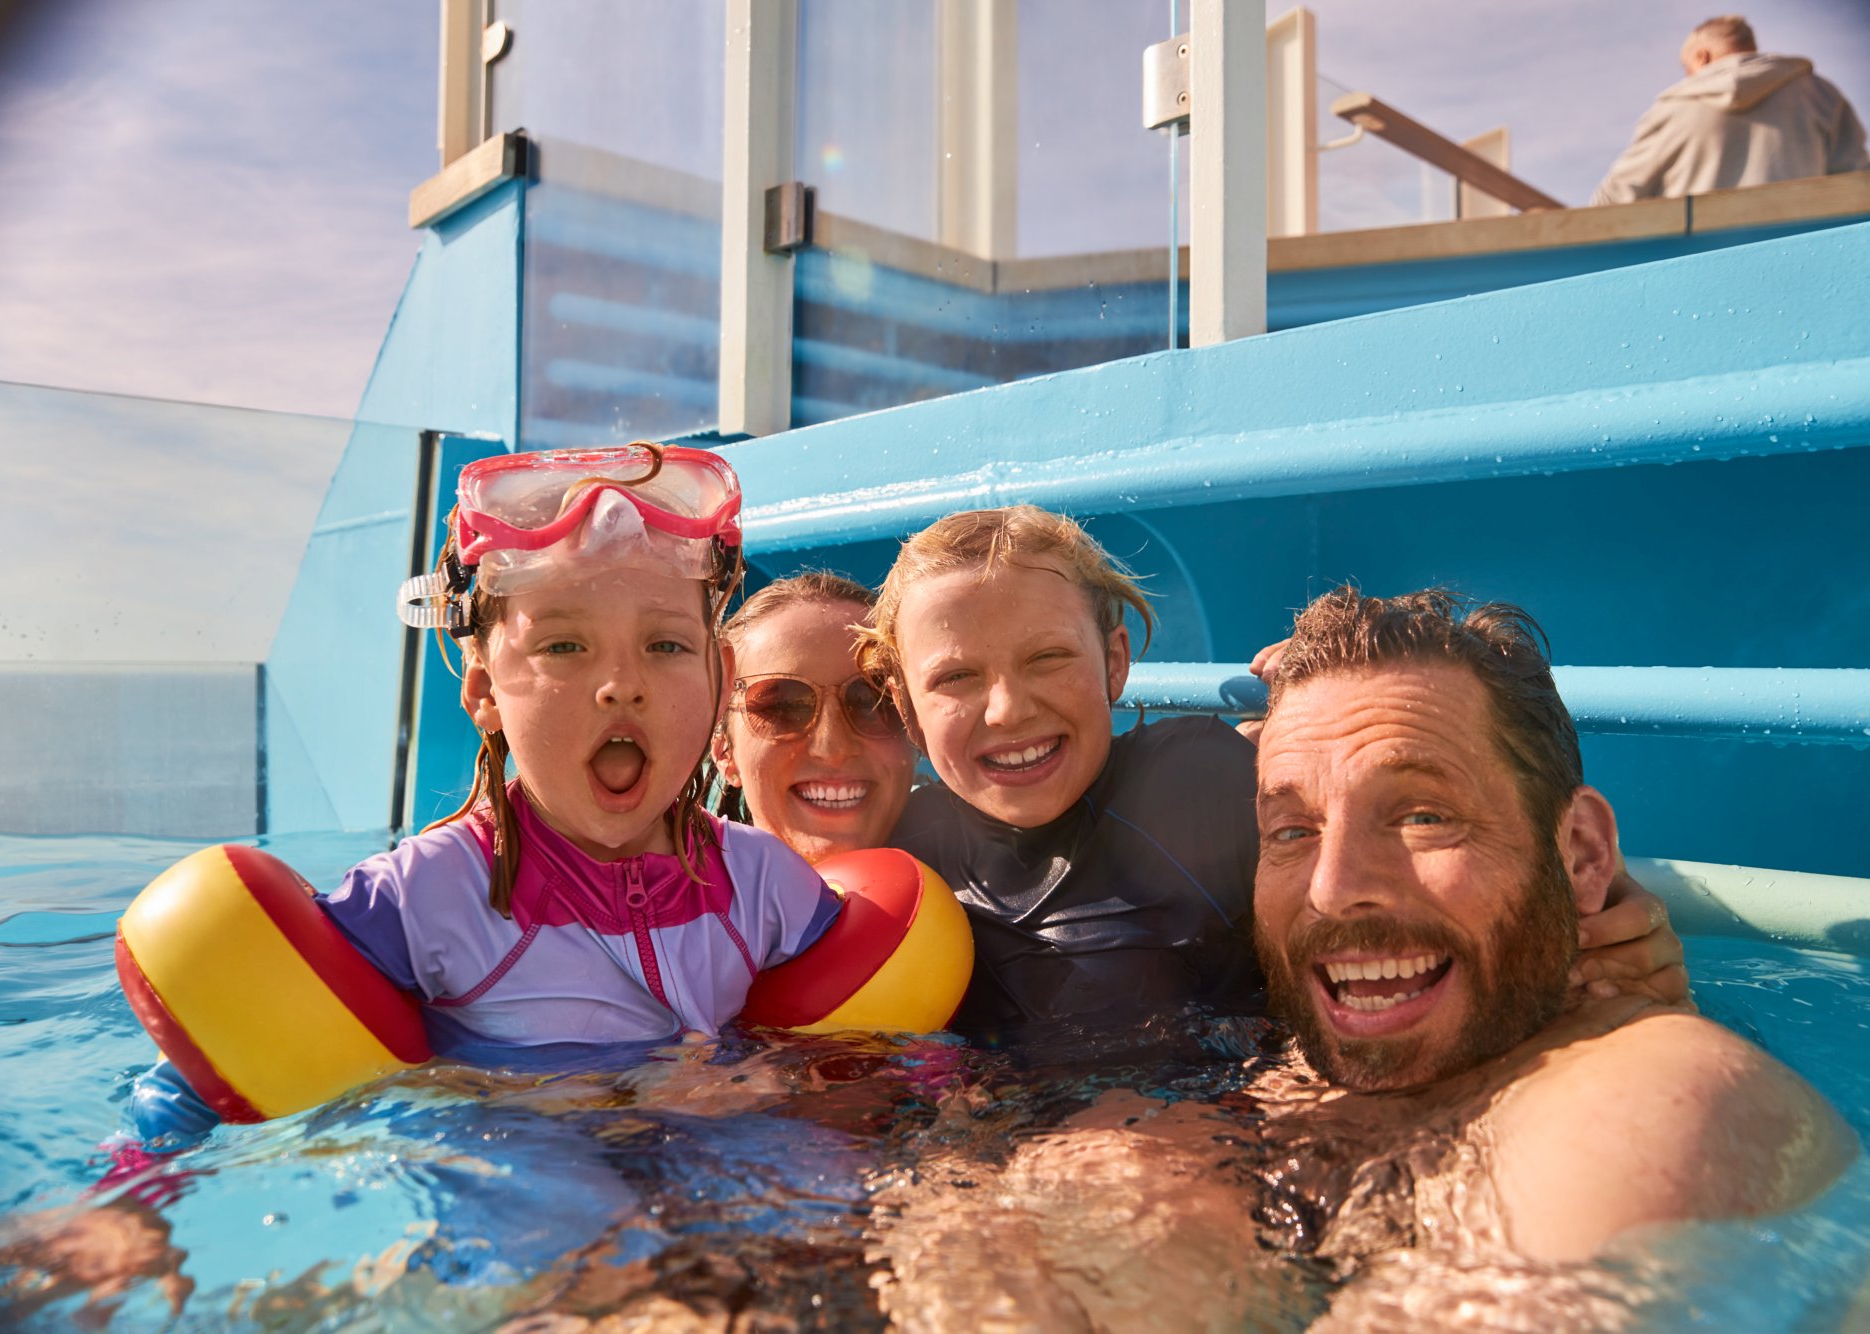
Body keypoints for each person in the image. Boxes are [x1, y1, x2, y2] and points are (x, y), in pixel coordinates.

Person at [867, 587, 1853, 1327]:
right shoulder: (1293, 1067)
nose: (1337, 887)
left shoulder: (1643, 1105)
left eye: (1421, 814)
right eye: (1288, 831)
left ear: (1582, 854)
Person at [130, 444, 842, 1141]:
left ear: (720, 678)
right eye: (564, 646)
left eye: (666, 646)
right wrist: (134, 1185)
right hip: (516, 1159)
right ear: (482, 690)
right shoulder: (429, 893)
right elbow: (225, 1044)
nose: (622, 683)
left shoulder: (764, 884)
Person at [854, 505, 1687, 1036]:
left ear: (1114, 664)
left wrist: (1613, 913)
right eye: (956, 678)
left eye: (1047, 659)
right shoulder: (897, 854)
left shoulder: (1202, 782)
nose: (1007, 709)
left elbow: (1434, 827)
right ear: (902, 703)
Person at [711, 572, 918, 866]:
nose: (832, 749)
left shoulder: (994, 897)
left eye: (871, 701)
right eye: (784, 706)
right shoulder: (667, 908)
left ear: (917, 731)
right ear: (724, 751)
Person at [1592, 14, 1869, 206]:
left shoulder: (1675, 107)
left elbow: (1615, 197)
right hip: (1804, 258)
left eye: (1686, 68)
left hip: (1694, 265)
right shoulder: (1820, 94)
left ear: (1702, 57)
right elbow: (1860, 183)